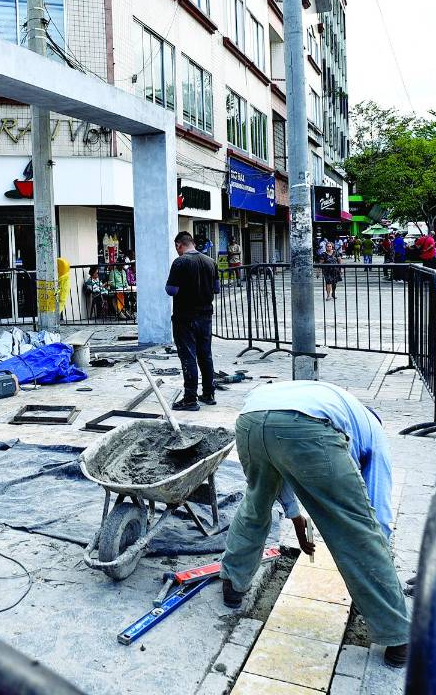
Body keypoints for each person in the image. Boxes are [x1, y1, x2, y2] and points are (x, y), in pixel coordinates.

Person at [220, 381, 408, 668]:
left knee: (255, 506)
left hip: (251, 420)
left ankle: (233, 584)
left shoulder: (337, 403)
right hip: (305, 425)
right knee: (355, 528)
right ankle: (397, 635)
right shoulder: (373, 433)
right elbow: (375, 512)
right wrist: (379, 553)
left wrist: (295, 515)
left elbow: (277, 462)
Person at [166, 232, 220, 410]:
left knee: (188, 356)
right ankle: (208, 393)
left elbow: (171, 290)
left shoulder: (180, 262)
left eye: (177, 248)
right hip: (205, 316)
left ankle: (190, 399)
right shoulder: (210, 262)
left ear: (178, 245)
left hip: (185, 317)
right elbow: (216, 289)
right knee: (205, 355)